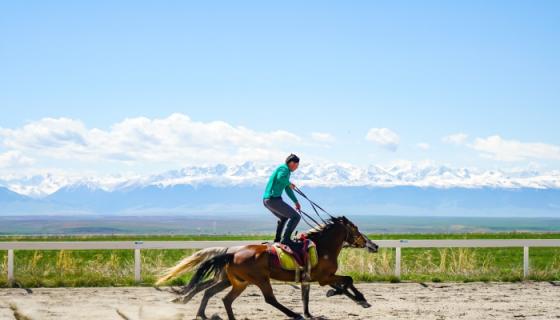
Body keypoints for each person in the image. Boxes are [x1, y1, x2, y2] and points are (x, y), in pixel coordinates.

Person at [263, 154, 301, 246]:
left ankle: (277, 240)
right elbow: (281, 178)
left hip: (268, 200)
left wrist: (296, 202)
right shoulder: (283, 169)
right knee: (296, 217)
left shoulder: (286, 171)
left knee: (284, 217)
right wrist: (289, 183)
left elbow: (287, 189)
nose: (296, 168)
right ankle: (286, 240)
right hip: (273, 200)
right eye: (296, 165)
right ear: (291, 163)